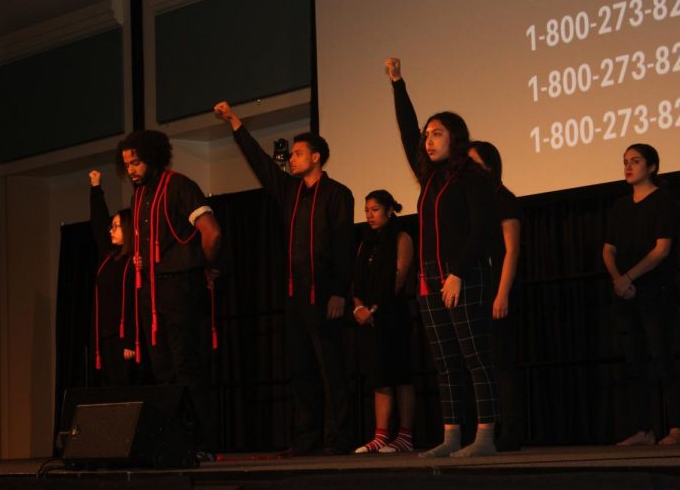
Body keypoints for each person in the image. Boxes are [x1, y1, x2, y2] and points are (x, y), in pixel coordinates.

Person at [213, 101, 355, 456]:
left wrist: (340, 292)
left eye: (298, 153)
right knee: (301, 369)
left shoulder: (337, 194)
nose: (291, 159)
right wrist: (235, 123)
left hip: (324, 293)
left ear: (317, 157)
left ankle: (337, 438)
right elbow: (261, 163)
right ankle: (306, 438)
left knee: (331, 369)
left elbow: (343, 246)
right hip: (295, 294)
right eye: (291, 154)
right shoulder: (290, 192)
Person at [384, 57, 498, 458]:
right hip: (430, 280)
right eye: (427, 135)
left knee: (474, 356)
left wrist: (457, 274)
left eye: (437, 134)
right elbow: (406, 131)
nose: (429, 140)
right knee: (446, 362)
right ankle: (451, 436)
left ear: (456, 139)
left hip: (463, 276)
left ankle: (484, 436)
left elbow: (482, 232)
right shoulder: (430, 178)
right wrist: (399, 84)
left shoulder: (473, 179)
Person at [117, 130, 222, 459]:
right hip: (150, 289)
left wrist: (201, 265)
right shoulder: (138, 197)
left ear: (153, 156)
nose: (132, 169)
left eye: (136, 162)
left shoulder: (179, 185)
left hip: (179, 285)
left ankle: (205, 442)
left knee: (185, 366)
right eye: (127, 164)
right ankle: (175, 442)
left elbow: (212, 231)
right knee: (162, 370)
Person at [602, 143, 680, 446]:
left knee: (661, 357)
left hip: (655, 291)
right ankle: (644, 429)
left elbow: (661, 250)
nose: (628, 166)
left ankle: (677, 427)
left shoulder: (664, 201)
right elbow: (608, 249)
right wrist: (618, 280)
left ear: (652, 166)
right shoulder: (621, 206)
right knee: (634, 363)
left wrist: (628, 277)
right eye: (625, 161)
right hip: (625, 293)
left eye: (635, 161)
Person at [468, 141, 522, 451]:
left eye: (473, 164)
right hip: (478, 292)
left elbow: (511, 250)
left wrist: (501, 294)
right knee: (482, 363)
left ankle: (510, 431)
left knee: (502, 363)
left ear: (488, 166)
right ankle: (486, 429)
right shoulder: (479, 202)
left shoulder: (505, 200)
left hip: (499, 292)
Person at [352, 190, 416, 454]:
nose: (369, 215)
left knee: (400, 374)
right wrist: (358, 307)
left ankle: (405, 436)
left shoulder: (402, 238)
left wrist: (374, 309)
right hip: (369, 319)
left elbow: (397, 281)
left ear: (390, 210)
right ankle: (380, 435)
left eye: (375, 209)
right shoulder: (364, 243)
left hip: (394, 316)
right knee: (379, 375)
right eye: (366, 210)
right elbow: (356, 281)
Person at [88, 170, 137, 387]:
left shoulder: (132, 262)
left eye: (116, 226)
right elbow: (99, 223)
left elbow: (134, 303)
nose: (111, 230)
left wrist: (130, 340)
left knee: (126, 388)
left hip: (124, 339)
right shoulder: (109, 258)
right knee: (110, 389)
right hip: (106, 336)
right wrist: (96, 188)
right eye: (112, 226)